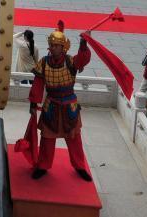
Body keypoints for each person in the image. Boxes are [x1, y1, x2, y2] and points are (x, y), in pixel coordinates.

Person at [28, 29, 92, 181]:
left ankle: (79, 166)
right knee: (47, 139)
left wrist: (84, 43)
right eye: (52, 45)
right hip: (51, 104)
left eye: (57, 45)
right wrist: (33, 103)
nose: (53, 47)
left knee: (74, 139)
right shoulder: (43, 62)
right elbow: (38, 84)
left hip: (70, 105)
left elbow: (82, 59)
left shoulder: (70, 61)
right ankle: (43, 166)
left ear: (63, 47)